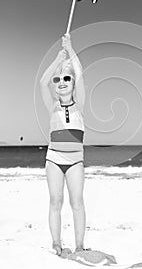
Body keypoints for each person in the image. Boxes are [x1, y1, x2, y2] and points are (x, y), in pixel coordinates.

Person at [40, 34, 87, 256]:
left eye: (66, 79)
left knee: (76, 202)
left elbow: (79, 72)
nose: (61, 83)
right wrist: (57, 60)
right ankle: (56, 243)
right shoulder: (52, 107)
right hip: (54, 160)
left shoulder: (80, 106)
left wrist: (70, 48)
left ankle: (79, 245)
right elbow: (42, 81)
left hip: (75, 161)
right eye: (57, 80)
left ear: (73, 84)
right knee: (55, 201)